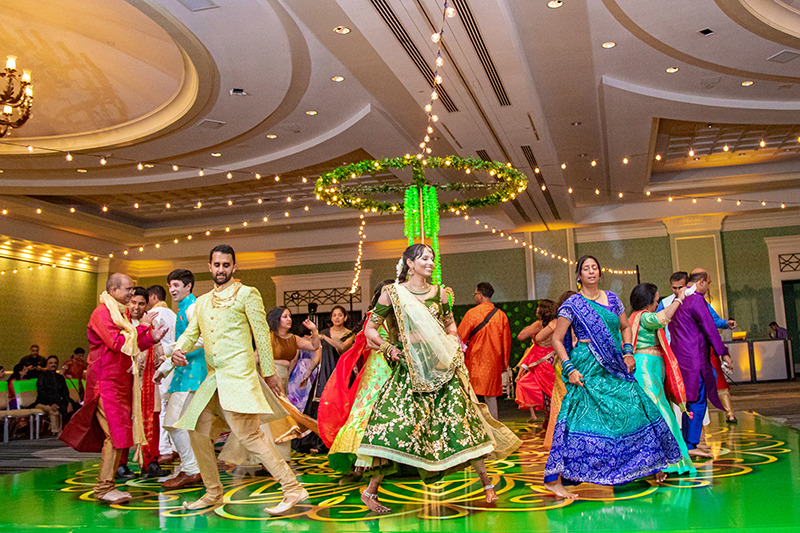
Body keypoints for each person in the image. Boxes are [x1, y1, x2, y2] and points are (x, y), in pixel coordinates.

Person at [342, 244, 521, 513]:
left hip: (441, 368)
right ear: (409, 264)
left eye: (432, 258)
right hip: (408, 371)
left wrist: (450, 340)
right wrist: (389, 348)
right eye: (424, 258)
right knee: (393, 428)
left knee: (463, 421)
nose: (430, 262)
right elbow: (370, 329)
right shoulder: (392, 294)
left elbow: (449, 325)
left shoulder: (441, 294)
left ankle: (486, 483)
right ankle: (370, 491)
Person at [170, 244, 309, 514]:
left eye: (226, 265)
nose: (221, 269)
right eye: (216, 265)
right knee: (197, 432)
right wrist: (178, 350)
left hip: (241, 377)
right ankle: (212, 492)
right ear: (209, 267)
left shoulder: (248, 294)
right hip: (213, 381)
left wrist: (269, 374)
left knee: (250, 436)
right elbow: (191, 333)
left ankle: (293, 489)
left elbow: (262, 337)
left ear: (234, 267)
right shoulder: (202, 302)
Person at [543, 255, 682, 499]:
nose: (591, 272)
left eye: (594, 268)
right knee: (578, 417)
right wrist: (569, 368)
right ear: (579, 275)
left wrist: (628, 352)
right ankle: (557, 479)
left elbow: (625, 327)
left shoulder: (613, 299)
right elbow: (557, 338)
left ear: (600, 272)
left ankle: (650, 463)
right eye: (586, 269)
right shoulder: (573, 304)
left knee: (635, 406)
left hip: (614, 364)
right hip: (585, 366)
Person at [59, 273, 168, 504]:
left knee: (120, 435)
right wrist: (144, 327)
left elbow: (132, 344)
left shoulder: (121, 313)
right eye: (128, 289)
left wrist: (152, 338)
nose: (132, 293)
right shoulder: (102, 313)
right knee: (115, 435)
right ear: (114, 289)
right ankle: (103, 488)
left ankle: (107, 486)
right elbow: (118, 343)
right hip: (105, 383)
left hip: (120, 382)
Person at [629, 282, 696, 475]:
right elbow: (663, 318)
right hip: (645, 369)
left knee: (656, 410)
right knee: (659, 411)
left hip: (651, 368)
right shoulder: (644, 317)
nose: (658, 304)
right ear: (647, 303)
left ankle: (657, 461)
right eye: (657, 301)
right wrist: (679, 299)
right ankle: (668, 460)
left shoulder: (636, 317)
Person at [659, 269, 738, 424]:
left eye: (680, 287)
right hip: (672, 352)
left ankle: (698, 433)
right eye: (674, 288)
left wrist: (725, 324)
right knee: (676, 389)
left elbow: (711, 320)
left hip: (694, 353)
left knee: (696, 390)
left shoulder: (695, 299)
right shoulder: (665, 303)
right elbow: (657, 324)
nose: (677, 291)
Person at [670, 270, 731, 456]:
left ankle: (689, 442)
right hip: (694, 359)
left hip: (679, 357)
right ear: (702, 282)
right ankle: (691, 445)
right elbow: (710, 328)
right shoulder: (696, 299)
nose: (708, 287)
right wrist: (724, 353)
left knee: (690, 401)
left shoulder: (677, 300)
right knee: (697, 400)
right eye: (708, 283)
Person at [156, 269, 204, 489]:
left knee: (175, 422)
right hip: (184, 372)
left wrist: (166, 351)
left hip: (194, 373)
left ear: (188, 286)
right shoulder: (183, 309)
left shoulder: (193, 307)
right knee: (178, 423)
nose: (172, 290)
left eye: (176, 285)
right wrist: (165, 368)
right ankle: (193, 468)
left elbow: (203, 338)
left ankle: (192, 470)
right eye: (170, 286)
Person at [294, 305, 354, 454]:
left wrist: (323, 337)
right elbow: (317, 357)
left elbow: (341, 347)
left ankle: (340, 441)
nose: (337, 318)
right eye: (334, 315)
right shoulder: (325, 332)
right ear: (331, 318)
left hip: (343, 374)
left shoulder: (350, 334)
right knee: (320, 407)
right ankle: (318, 442)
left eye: (340, 315)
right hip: (325, 373)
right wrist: (307, 374)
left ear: (345, 317)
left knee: (341, 408)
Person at [456, 282, 511, 419]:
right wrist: (504, 363)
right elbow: (506, 341)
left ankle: (473, 425)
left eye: (475, 294)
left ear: (480, 295)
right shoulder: (501, 315)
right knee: (491, 397)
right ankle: (494, 428)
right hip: (493, 362)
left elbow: (459, 338)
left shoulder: (472, 314)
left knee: (471, 394)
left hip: (474, 362)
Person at [145, 285, 178, 463]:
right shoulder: (173, 314)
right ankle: (174, 447)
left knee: (162, 408)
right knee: (172, 406)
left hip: (161, 362)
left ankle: (163, 448)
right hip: (174, 363)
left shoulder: (155, 315)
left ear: (153, 297)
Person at [515, 300, 557, 424]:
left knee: (547, 393)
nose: (537, 309)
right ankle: (551, 421)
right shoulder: (557, 322)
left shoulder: (539, 325)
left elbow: (521, 336)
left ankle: (549, 422)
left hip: (543, 362)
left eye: (539, 307)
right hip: (555, 359)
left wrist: (531, 329)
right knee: (554, 390)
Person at [543, 291, 576, 451]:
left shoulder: (558, 322)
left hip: (563, 364)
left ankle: (559, 438)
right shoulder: (582, 318)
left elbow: (538, 338)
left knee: (560, 401)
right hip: (580, 363)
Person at [34, 356, 78, 437]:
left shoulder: (60, 377)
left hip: (58, 400)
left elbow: (65, 392)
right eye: (51, 363)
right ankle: (56, 432)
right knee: (57, 409)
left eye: (55, 363)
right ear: (47, 365)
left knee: (76, 407)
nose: (53, 365)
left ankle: (71, 432)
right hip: (43, 402)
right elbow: (42, 393)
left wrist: (69, 402)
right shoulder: (42, 377)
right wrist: (52, 403)